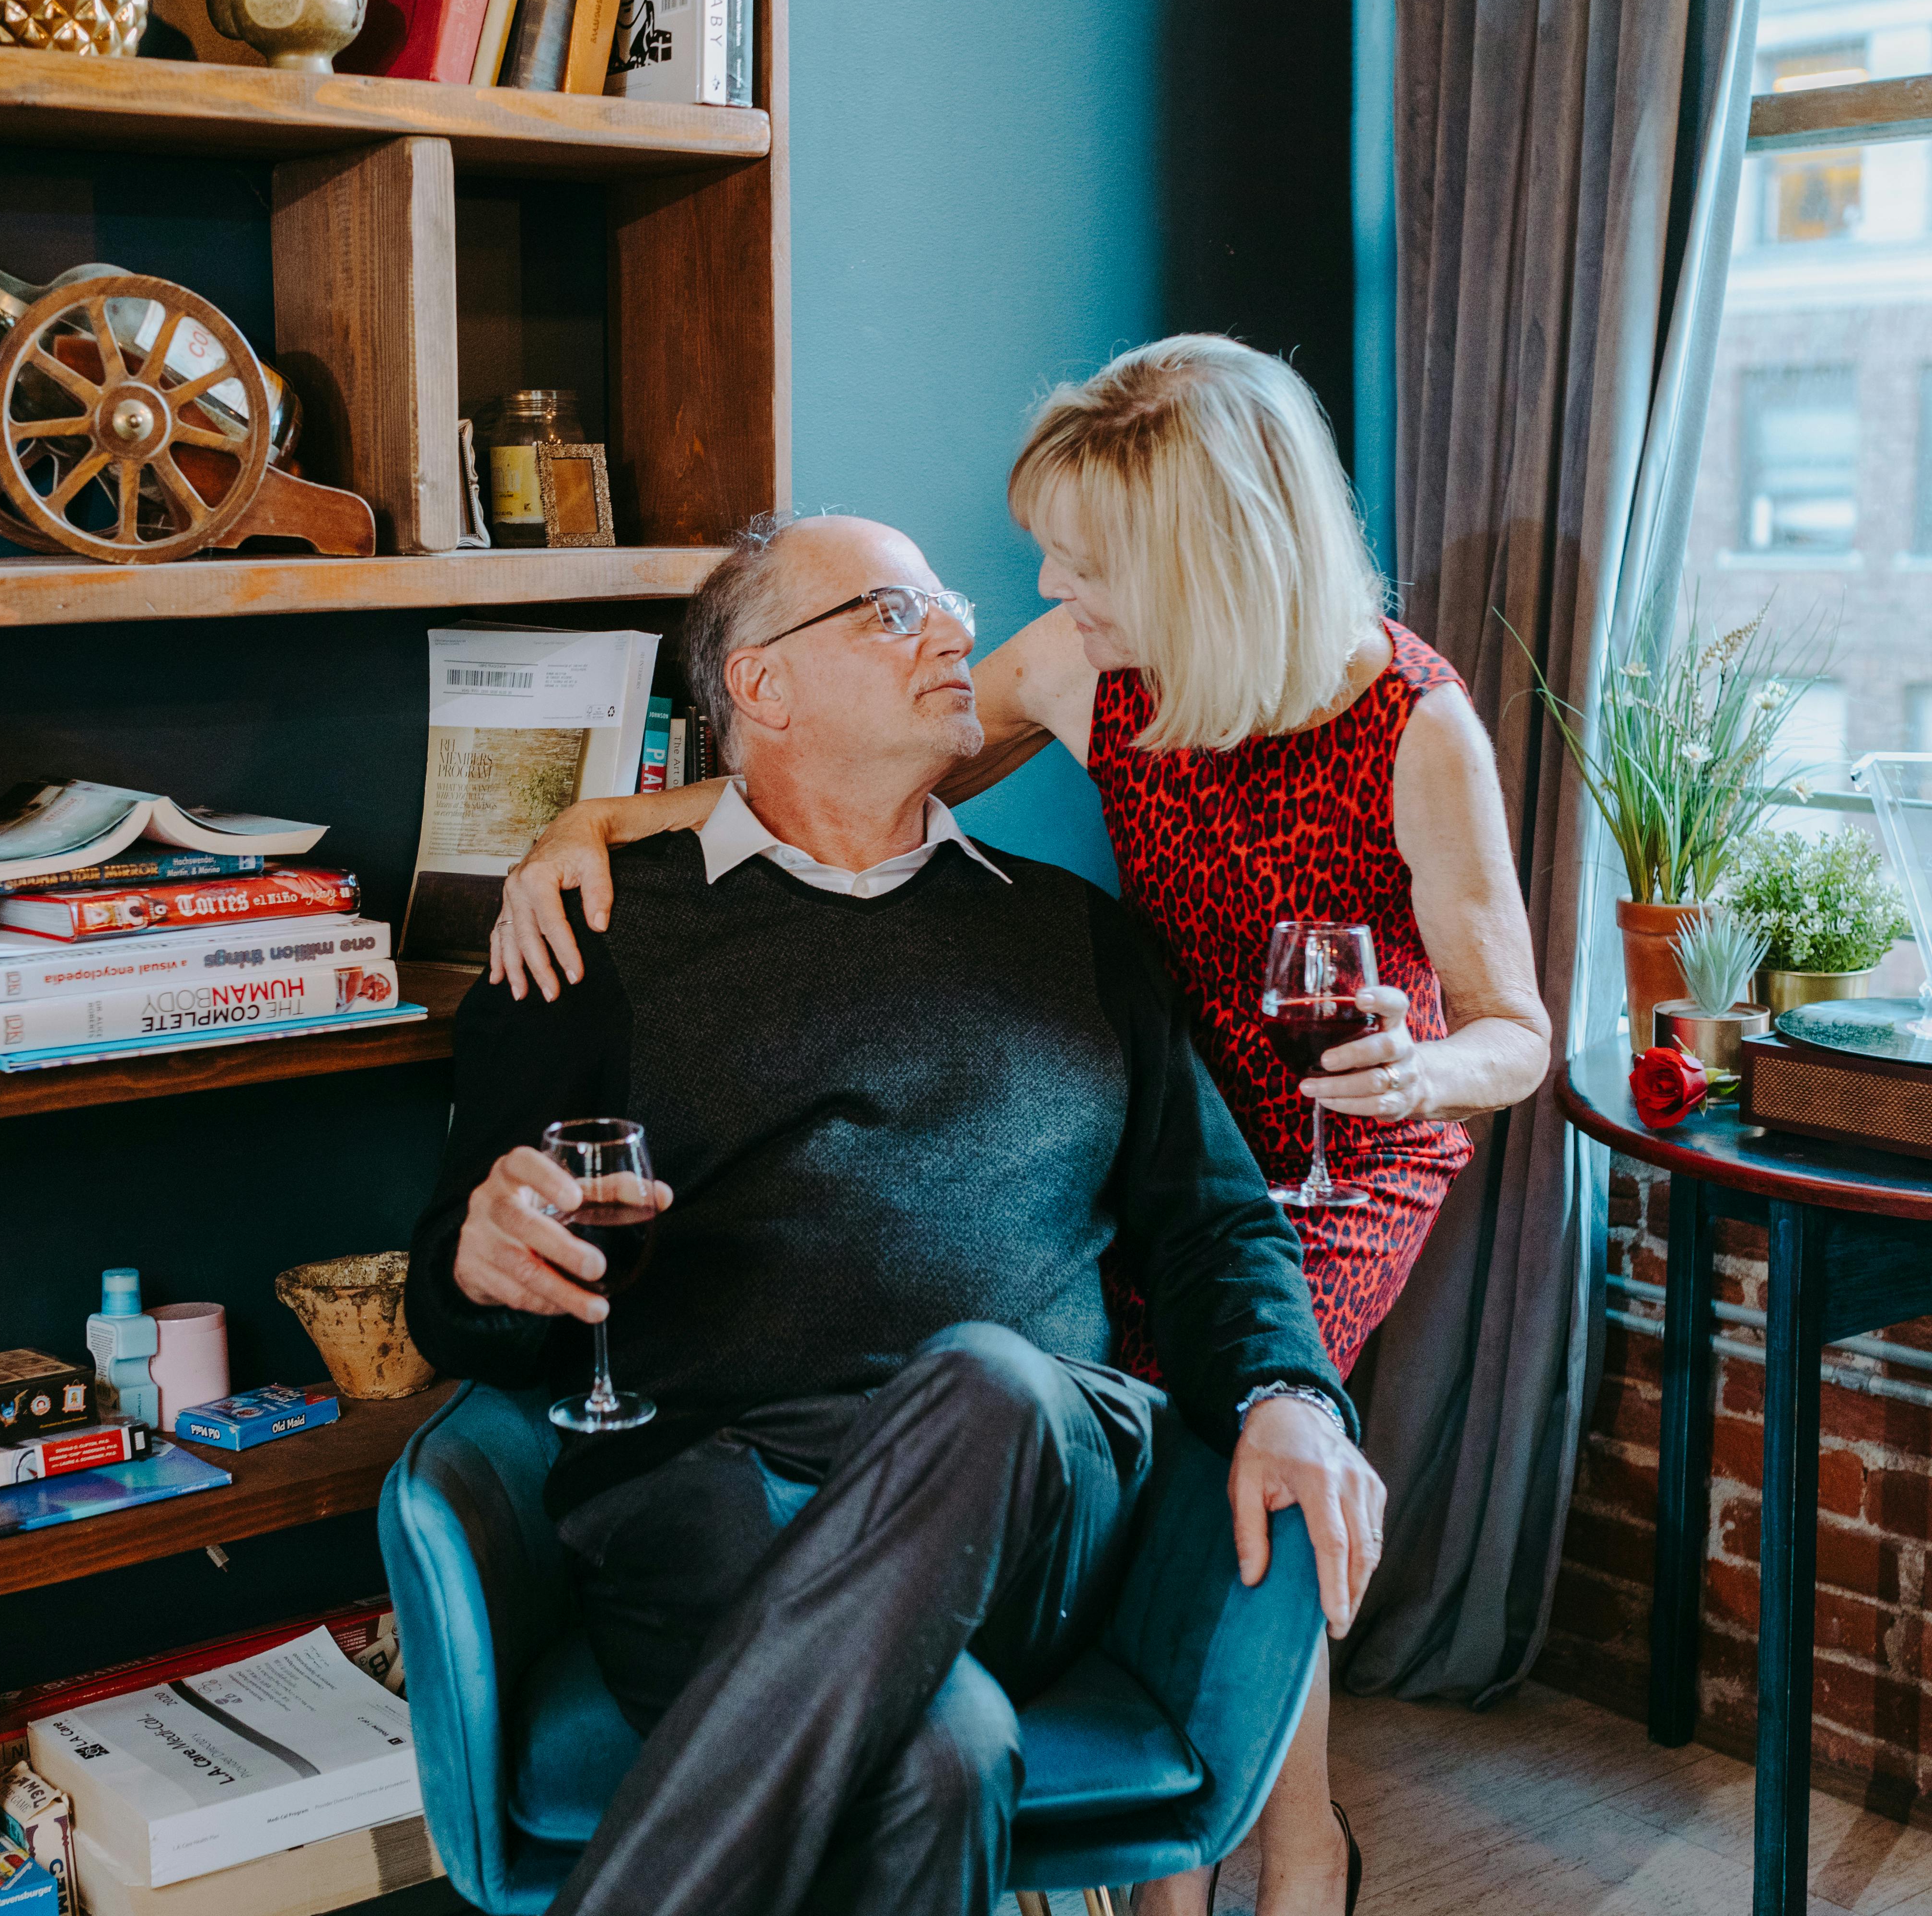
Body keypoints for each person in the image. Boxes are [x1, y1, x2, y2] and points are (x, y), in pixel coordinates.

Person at [490, 335, 1553, 1916]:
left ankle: (1301, 1838)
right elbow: (844, 773)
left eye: (1085, 556)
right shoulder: (1085, 665)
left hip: (1346, 1128)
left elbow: (1519, 1033)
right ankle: (1169, 1882)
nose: (1036, 588)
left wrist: (1420, 1075)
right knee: (985, 1558)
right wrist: (592, 819)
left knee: (1250, 1402)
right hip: (1134, 1086)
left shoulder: (1415, 728)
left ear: (1202, 560)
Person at [406, 513, 1382, 1916]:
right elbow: (447, 1300)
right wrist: (479, 1258)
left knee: (984, 1376)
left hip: (1039, 1485)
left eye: (948, 604)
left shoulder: (1076, 937)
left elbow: (1221, 1225)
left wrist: (1292, 1390)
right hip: (715, 1492)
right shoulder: (596, 938)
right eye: (891, 609)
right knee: (945, 1755)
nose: (956, 631)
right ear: (762, 686)